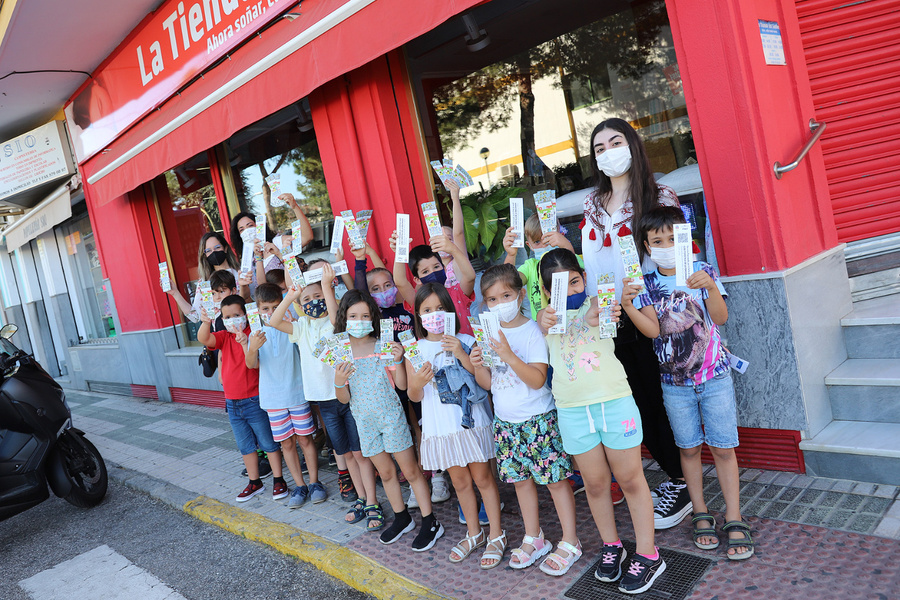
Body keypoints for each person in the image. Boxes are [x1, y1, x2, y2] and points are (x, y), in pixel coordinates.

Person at [581, 117, 691, 529]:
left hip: (650, 313)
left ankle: (680, 480)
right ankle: (669, 475)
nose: (609, 151)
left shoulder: (658, 194)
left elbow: (678, 255)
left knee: (657, 398)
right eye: (599, 147)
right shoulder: (593, 204)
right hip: (606, 318)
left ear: (632, 143)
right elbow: (592, 262)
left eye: (615, 141)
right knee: (632, 403)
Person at [626, 206, 752, 561]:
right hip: (674, 384)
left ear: (686, 238)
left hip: (714, 377)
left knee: (724, 448)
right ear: (647, 247)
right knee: (689, 449)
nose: (665, 245)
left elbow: (722, 317)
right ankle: (700, 512)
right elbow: (652, 330)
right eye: (657, 241)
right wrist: (628, 304)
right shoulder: (645, 284)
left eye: (672, 238)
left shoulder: (701, 271)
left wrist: (710, 286)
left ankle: (733, 515)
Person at [537, 248, 665, 594]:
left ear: (583, 278)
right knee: (594, 484)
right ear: (547, 290)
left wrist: (602, 308)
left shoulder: (599, 302)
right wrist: (545, 317)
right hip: (572, 410)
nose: (571, 288)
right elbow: (542, 327)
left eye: (575, 280)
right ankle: (612, 546)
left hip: (613, 402)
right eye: (560, 286)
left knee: (631, 479)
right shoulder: (544, 317)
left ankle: (648, 553)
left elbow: (601, 317)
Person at [321, 278, 443, 551]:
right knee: (386, 473)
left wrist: (398, 360)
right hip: (364, 422)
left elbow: (401, 386)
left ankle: (429, 520)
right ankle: (401, 518)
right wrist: (339, 380)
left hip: (391, 417)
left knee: (411, 471)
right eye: (353, 316)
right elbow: (344, 397)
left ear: (373, 318)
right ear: (344, 319)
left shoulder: (383, 346)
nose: (359, 320)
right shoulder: (341, 353)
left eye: (365, 315)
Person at [472, 264, 578, 574]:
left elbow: (536, 379)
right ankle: (535, 537)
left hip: (538, 420)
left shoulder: (532, 331)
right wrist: (479, 365)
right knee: (520, 482)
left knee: (556, 482)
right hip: (506, 422)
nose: (499, 303)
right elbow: (489, 384)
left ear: (520, 295)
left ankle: (570, 539)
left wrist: (507, 354)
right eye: (491, 299)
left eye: (506, 295)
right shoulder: (491, 334)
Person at [406, 283, 504, 568]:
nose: (434, 315)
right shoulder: (416, 349)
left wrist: (461, 353)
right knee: (460, 482)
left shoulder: (466, 339)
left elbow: (482, 378)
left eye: (440, 308)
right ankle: (474, 533)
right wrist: (419, 383)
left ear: (450, 311)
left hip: (470, 423)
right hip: (441, 427)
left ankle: (497, 534)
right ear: (419, 316)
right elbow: (414, 395)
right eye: (427, 310)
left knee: (484, 478)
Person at [270, 266, 366, 514]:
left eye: (320, 297)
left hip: (346, 392)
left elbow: (336, 322)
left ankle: (366, 489)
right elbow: (274, 321)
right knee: (340, 445)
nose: (315, 303)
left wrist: (326, 287)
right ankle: (348, 480)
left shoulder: (335, 319)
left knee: (358, 448)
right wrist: (291, 296)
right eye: (308, 300)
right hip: (323, 399)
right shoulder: (301, 326)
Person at [244, 283, 327, 508]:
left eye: (274, 307)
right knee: (287, 444)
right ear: (258, 310)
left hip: (297, 393)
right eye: (265, 309)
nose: (270, 313)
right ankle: (299, 485)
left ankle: (315, 483)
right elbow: (251, 365)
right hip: (273, 399)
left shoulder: (291, 325)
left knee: (305, 439)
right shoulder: (256, 333)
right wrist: (252, 348)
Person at [196, 294, 285, 502]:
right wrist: (206, 321)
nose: (232, 319)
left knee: (268, 443)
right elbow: (204, 338)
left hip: (254, 399)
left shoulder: (254, 334)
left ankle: (279, 479)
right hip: (232, 402)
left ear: (245, 315)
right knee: (245, 446)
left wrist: (246, 343)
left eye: (237, 315)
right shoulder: (223, 337)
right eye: (227, 316)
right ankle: (255, 482)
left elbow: (252, 364)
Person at [502, 214, 578, 320]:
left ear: (560, 236)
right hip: (543, 329)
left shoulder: (568, 259)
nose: (544, 245)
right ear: (529, 246)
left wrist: (565, 245)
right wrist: (511, 255)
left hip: (575, 322)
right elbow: (509, 281)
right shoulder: (529, 267)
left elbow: (576, 266)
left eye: (548, 238)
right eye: (537, 242)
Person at [163, 232, 251, 320]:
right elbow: (195, 316)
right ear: (204, 255)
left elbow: (251, 302)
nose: (214, 252)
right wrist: (175, 293)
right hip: (219, 332)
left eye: (217, 247)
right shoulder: (204, 282)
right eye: (208, 251)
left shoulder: (241, 273)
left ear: (225, 248)